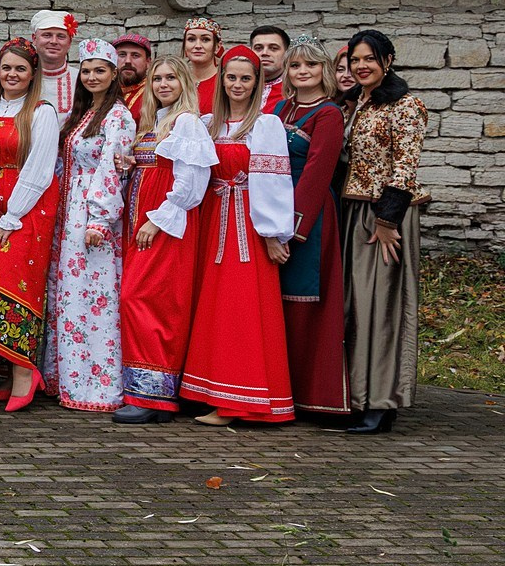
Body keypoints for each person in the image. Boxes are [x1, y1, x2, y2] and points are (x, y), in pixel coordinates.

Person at [180, 46, 296, 426]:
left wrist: (274, 233)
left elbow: (275, 182)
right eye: (231, 77)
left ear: (257, 82)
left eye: (246, 78)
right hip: (211, 218)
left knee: (239, 307)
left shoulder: (266, 126)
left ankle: (239, 400)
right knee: (210, 305)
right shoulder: (208, 122)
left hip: (246, 224)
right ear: (221, 80)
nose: (238, 84)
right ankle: (210, 392)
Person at [114, 55, 216, 424]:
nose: (163, 84)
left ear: (184, 83)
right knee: (146, 300)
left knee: (144, 299)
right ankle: (151, 395)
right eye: (157, 78)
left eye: (171, 78)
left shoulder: (187, 122)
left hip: (165, 225)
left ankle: (153, 395)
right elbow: (157, 167)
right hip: (143, 220)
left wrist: (158, 221)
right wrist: (132, 164)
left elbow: (191, 182)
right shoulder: (155, 121)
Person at [338, 29, 427, 434]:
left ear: (387, 61)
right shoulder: (356, 103)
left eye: (369, 59)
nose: (361, 66)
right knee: (357, 304)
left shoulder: (406, 106)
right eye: (355, 59)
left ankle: (382, 402)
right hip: (355, 210)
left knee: (382, 306)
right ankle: (359, 395)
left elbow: (405, 166)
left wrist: (388, 221)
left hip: (385, 216)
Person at [0, 40, 60, 412]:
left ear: (32, 73)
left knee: (7, 283)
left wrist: (13, 214)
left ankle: (25, 372)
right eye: (6, 68)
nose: (12, 75)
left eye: (20, 69)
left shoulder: (41, 112)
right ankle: (7, 370)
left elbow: (40, 168)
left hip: (26, 208)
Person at [41, 39, 136, 414]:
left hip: (93, 215)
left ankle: (97, 386)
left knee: (93, 298)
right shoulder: (82, 114)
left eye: (100, 70)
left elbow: (112, 170)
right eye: (87, 70)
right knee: (69, 297)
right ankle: (66, 378)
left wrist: (100, 218)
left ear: (114, 74)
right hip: (68, 212)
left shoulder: (118, 117)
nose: (92, 76)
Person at [269, 39, 349, 418]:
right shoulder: (282, 108)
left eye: (311, 66)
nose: (302, 72)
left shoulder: (328, 114)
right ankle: (280, 388)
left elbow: (318, 173)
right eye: (296, 66)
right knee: (275, 304)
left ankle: (312, 395)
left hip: (309, 217)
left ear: (324, 71)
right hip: (276, 210)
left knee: (305, 302)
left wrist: (290, 230)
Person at [28, 9, 79, 120]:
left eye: (61, 36)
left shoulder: (81, 79)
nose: (54, 41)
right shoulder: (23, 78)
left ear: (69, 42)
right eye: (47, 35)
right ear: (34, 39)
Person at [183, 16, 224, 112]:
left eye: (205, 40)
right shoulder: (178, 81)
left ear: (217, 47)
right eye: (191, 39)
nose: (197, 46)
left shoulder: (224, 82)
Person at [250, 25, 290, 111]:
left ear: (286, 53)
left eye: (273, 48)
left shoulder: (294, 90)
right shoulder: (239, 86)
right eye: (258, 48)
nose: (264, 53)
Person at [113, 33, 153, 119]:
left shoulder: (155, 93)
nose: (128, 61)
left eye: (135, 55)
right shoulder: (104, 91)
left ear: (148, 62)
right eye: (122, 55)